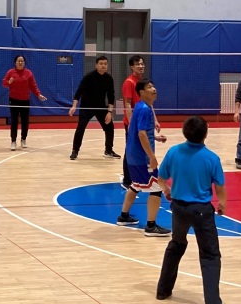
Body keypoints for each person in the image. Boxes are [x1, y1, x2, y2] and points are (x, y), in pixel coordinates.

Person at [155, 116, 229, 304]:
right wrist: (222, 203)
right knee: (210, 255)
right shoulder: (211, 158)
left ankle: (163, 290)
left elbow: (161, 178)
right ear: (206, 133)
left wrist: (167, 190)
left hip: (179, 208)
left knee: (176, 244)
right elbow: (219, 187)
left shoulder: (173, 152)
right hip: (202, 211)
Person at [116, 80, 171, 237]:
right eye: (149, 87)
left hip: (132, 155)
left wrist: (155, 138)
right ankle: (151, 226)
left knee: (136, 185)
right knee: (157, 188)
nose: (154, 89)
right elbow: (141, 134)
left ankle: (124, 216)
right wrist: (152, 157)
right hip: (142, 158)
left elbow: (138, 131)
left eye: (153, 86)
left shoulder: (139, 107)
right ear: (141, 92)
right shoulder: (145, 109)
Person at [68, 55, 118, 161]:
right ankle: (75, 150)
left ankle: (108, 150)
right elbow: (79, 91)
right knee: (80, 128)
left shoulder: (109, 79)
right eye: (101, 64)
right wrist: (74, 106)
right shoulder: (88, 77)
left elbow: (111, 96)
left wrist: (109, 112)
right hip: (86, 107)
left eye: (105, 64)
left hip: (100, 107)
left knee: (109, 127)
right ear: (96, 65)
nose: (103, 66)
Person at [120, 56, 156, 189]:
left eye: (142, 64)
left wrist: (155, 120)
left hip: (142, 120)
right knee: (130, 149)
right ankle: (127, 180)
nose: (140, 66)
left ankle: (139, 177)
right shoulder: (129, 82)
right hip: (132, 122)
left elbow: (149, 103)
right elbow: (127, 104)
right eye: (137, 64)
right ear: (132, 67)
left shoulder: (143, 82)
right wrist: (131, 125)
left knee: (140, 147)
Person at [1, 54, 47, 151]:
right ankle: (13, 141)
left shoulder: (28, 73)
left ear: (24, 63)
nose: (20, 62)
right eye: (19, 61)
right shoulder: (10, 72)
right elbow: (4, 83)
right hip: (14, 100)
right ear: (15, 63)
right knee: (14, 121)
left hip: (25, 101)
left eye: (22, 61)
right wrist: (8, 82)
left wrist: (38, 94)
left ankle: (23, 139)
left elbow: (33, 86)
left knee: (25, 121)